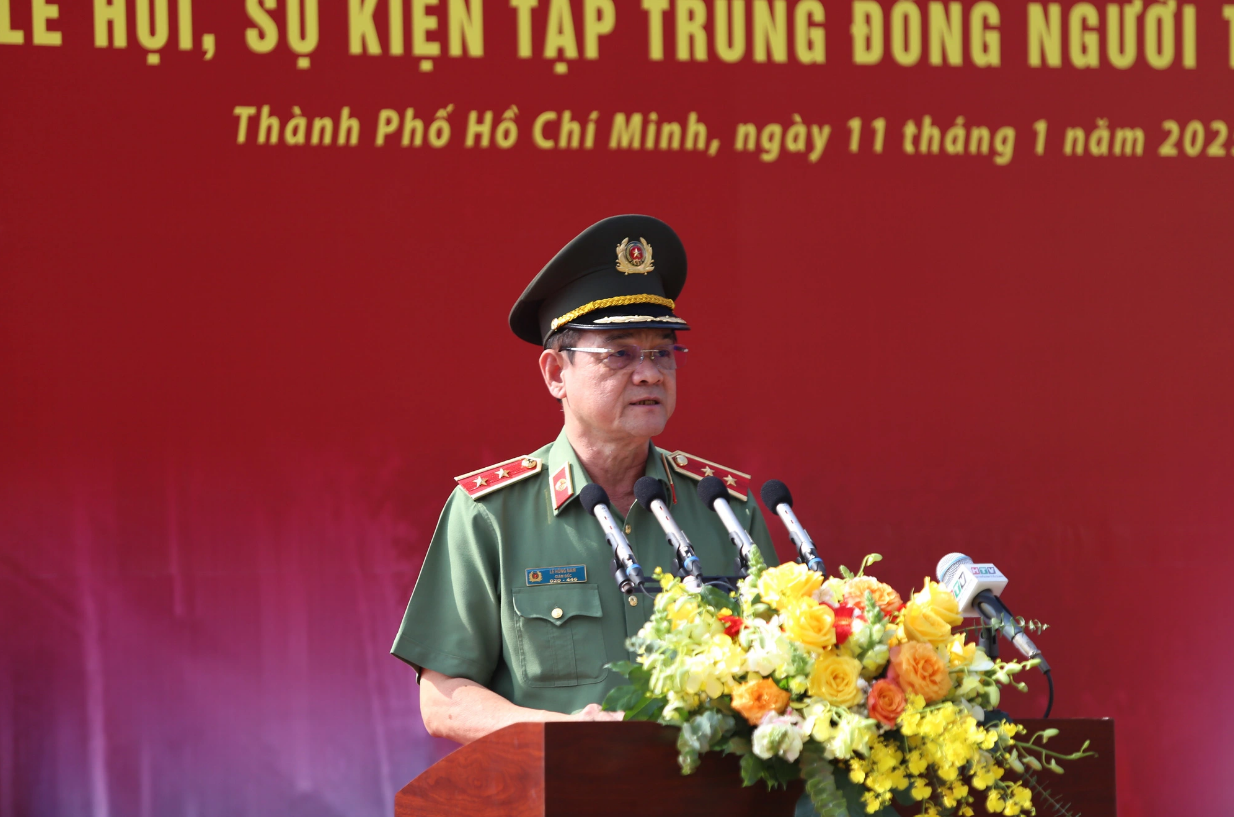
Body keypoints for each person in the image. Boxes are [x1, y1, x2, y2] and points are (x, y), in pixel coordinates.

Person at [391, 215, 779, 745]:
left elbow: (781, 672)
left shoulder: (724, 510)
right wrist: (570, 735)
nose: (648, 373)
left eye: (662, 351)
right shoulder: (489, 513)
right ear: (556, 374)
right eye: (620, 353)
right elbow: (443, 698)